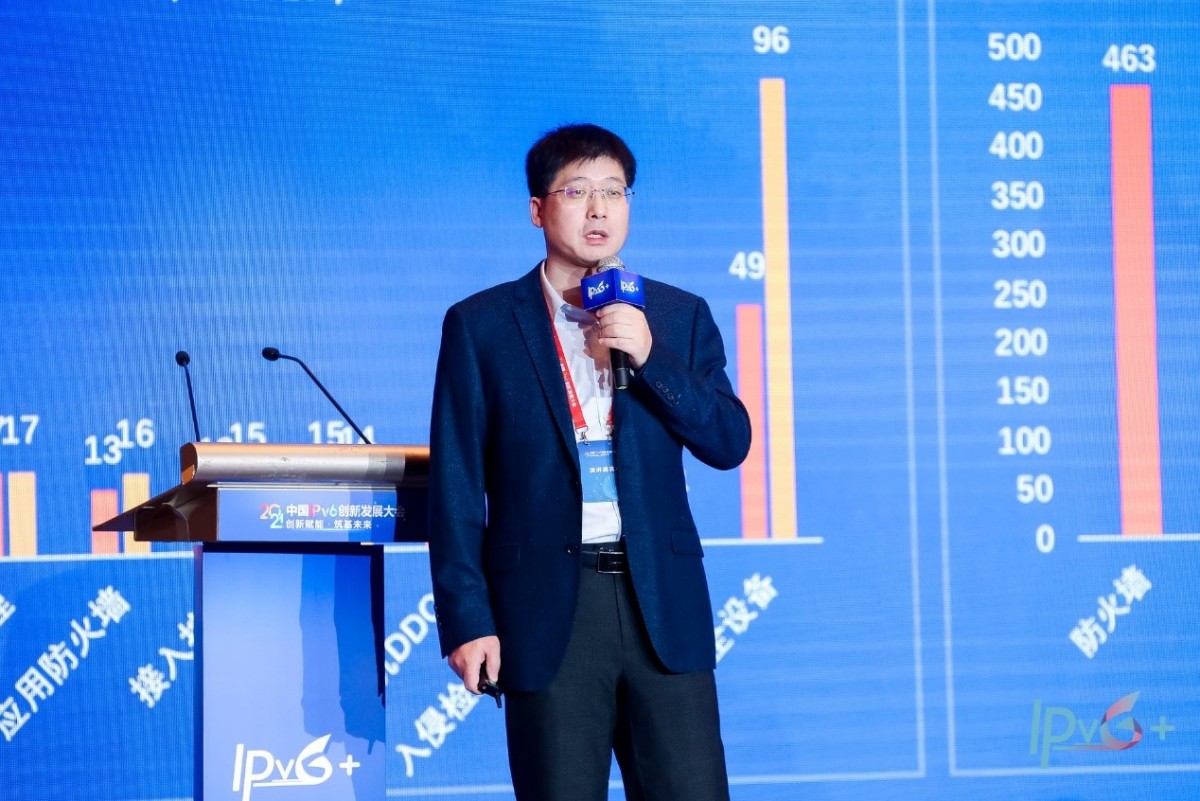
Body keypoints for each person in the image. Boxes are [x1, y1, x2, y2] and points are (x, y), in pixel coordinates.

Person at [427, 123, 751, 801]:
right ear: (538, 210)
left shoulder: (677, 315)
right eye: (577, 191)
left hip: (660, 605)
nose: (599, 208)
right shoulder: (481, 325)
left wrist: (650, 356)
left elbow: (729, 441)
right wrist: (467, 617)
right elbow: (455, 484)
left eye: (614, 191)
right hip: (548, 611)